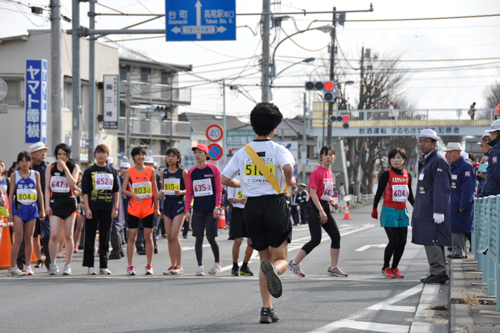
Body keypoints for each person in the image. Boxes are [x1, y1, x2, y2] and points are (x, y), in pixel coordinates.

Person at [221, 102, 296, 324]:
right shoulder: (279, 150)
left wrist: (242, 182)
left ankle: (266, 309)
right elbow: (289, 169)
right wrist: (289, 180)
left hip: (250, 207)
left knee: (263, 258)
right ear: (274, 128)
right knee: (280, 258)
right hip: (274, 204)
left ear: (254, 126)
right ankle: (275, 272)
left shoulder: (243, 152)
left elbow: (225, 179)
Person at [288, 145, 348, 279]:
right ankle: (294, 263)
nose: (329, 157)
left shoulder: (330, 173)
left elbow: (325, 192)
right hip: (314, 207)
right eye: (326, 155)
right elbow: (313, 193)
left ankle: (333, 267)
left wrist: (332, 202)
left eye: (331, 155)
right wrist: (321, 211)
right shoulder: (317, 172)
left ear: (334, 157)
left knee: (336, 237)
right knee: (316, 239)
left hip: (325, 206)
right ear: (321, 157)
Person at [412, 129, 452, 284]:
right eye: (420, 141)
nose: (422, 144)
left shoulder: (438, 161)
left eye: (425, 141)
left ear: (434, 143)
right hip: (426, 208)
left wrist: (439, 210)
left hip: (432, 209)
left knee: (432, 239)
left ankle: (438, 271)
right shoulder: (427, 160)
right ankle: (438, 270)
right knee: (431, 239)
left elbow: (442, 188)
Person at [372, 147, 414, 278]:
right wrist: (374, 208)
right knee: (394, 240)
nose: (396, 160)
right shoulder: (386, 174)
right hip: (389, 210)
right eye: (393, 158)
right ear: (390, 160)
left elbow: (410, 195)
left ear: (404, 160)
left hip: (403, 210)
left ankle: (395, 267)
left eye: (399, 158)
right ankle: (385, 267)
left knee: (402, 241)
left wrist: (417, 208)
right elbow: (379, 192)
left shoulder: (407, 175)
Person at [185, 144, 223, 276]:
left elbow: (219, 189)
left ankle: (217, 263)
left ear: (206, 154)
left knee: (211, 237)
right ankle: (200, 266)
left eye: (200, 152)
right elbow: (189, 193)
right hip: (198, 209)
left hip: (211, 209)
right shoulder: (191, 172)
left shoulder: (214, 169)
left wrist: (217, 206)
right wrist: (187, 210)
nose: (197, 155)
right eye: (195, 152)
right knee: (198, 237)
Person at [82, 145, 120, 275]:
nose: (101, 155)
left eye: (103, 153)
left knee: (105, 237)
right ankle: (90, 266)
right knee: (90, 237)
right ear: (95, 155)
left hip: (107, 207)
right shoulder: (89, 171)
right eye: (98, 153)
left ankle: (104, 265)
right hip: (92, 207)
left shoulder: (112, 171)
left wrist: (116, 208)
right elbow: (85, 191)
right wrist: (87, 208)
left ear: (107, 155)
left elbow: (116, 191)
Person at [122, 146, 160, 275]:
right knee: (132, 237)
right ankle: (130, 266)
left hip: (148, 208)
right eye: (138, 155)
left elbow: (155, 190)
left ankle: (149, 265)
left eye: (143, 154)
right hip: (134, 209)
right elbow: (123, 190)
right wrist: (133, 195)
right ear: (133, 157)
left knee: (148, 237)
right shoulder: (129, 171)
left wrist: (157, 208)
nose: (141, 157)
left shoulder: (151, 171)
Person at [7, 151, 45, 276]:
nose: (24, 163)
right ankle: (13, 266)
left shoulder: (36, 174)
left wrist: (42, 209)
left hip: (32, 208)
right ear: (18, 162)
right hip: (19, 208)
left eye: (27, 161)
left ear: (30, 162)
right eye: (22, 161)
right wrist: (10, 212)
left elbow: (39, 193)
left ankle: (28, 266)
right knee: (18, 237)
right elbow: (11, 194)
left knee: (29, 238)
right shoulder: (14, 175)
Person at [45, 143, 80, 275]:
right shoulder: (51, 167)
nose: (61, 156)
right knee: (53, 234)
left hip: (69, 202)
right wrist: (47, 205)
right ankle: (52, 264)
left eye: (64, 154)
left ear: (68, 155)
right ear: (55, 155)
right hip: (55, 202)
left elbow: (73, 183)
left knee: (68, 235)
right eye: (59, 154)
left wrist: (65, 168)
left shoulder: (74, 166)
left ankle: (67, 264)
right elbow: (47, 188)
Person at [443, 143, 475, 259]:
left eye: (450, 152)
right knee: (454, 227)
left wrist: (464, 203)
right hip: (453, 203)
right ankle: (456, 250)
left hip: (459, 204)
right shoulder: (453, 166)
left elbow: (468, 188)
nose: (448, 155)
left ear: (458, 152)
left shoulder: (466, 166)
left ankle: (460, 252)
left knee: (459, 228)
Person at [157, 148, 187, 275]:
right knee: (169, 236)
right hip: (167, 204)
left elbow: (189, 190)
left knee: (175, 235)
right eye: (168, 156)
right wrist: (161, 192)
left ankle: (179, 265)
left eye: (173, 156)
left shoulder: (183, 172)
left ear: (178, 158)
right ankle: (173, 264)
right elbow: (163, 188)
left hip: (179, 204)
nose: (170, 158)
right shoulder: (163, 172)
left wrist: (181, 192)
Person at [226, 174, 254, 277]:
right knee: (238, 240)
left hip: (251, 211)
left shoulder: (252, 177)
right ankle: (235, 265)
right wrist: (240, 201)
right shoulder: (233, 179)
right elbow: (230, 198)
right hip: (238, 211)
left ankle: (245, 266)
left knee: (251, 241)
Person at [29, 142, 51, 270]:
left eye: (44, 151)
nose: (44, 154)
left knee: (47, 234)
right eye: (40, 151)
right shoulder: (28, 169)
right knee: (33, 234)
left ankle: (49, 261)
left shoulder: (47, 168)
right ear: (32, 154)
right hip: (30, 205)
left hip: (45, 205)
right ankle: (38, 258)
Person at [483, 120, 500, 197]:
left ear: (496, 134)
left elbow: (497, 174)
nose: (490, 137)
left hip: (495, 194)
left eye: (491, 134)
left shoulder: (496, 150)